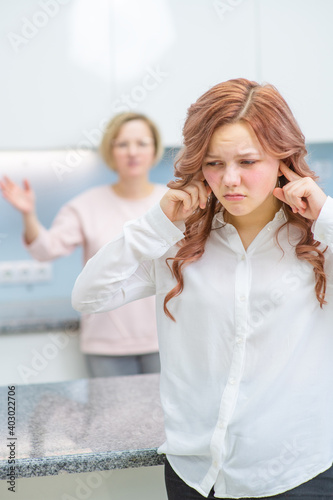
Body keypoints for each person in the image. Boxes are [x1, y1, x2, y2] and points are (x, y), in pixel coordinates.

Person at [71, 78, 333, 499]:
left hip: (295, 476)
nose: (230, 180)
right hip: (195, 478)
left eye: (248, 162)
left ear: (283, 159)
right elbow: (88, 296)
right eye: (213, 164)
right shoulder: (175, 242)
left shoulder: (320, 242)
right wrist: (157, 222)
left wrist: (325, 215)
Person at [0, 112, 168, 377]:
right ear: (110, 151)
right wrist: (28, 214)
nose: (132, 152)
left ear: (155, 149)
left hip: (167, 338)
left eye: (142, 143)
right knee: (112, 419)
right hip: (106, 343)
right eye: (122, 144)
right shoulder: (86, 205)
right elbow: (46, 250)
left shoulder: (173, 203)